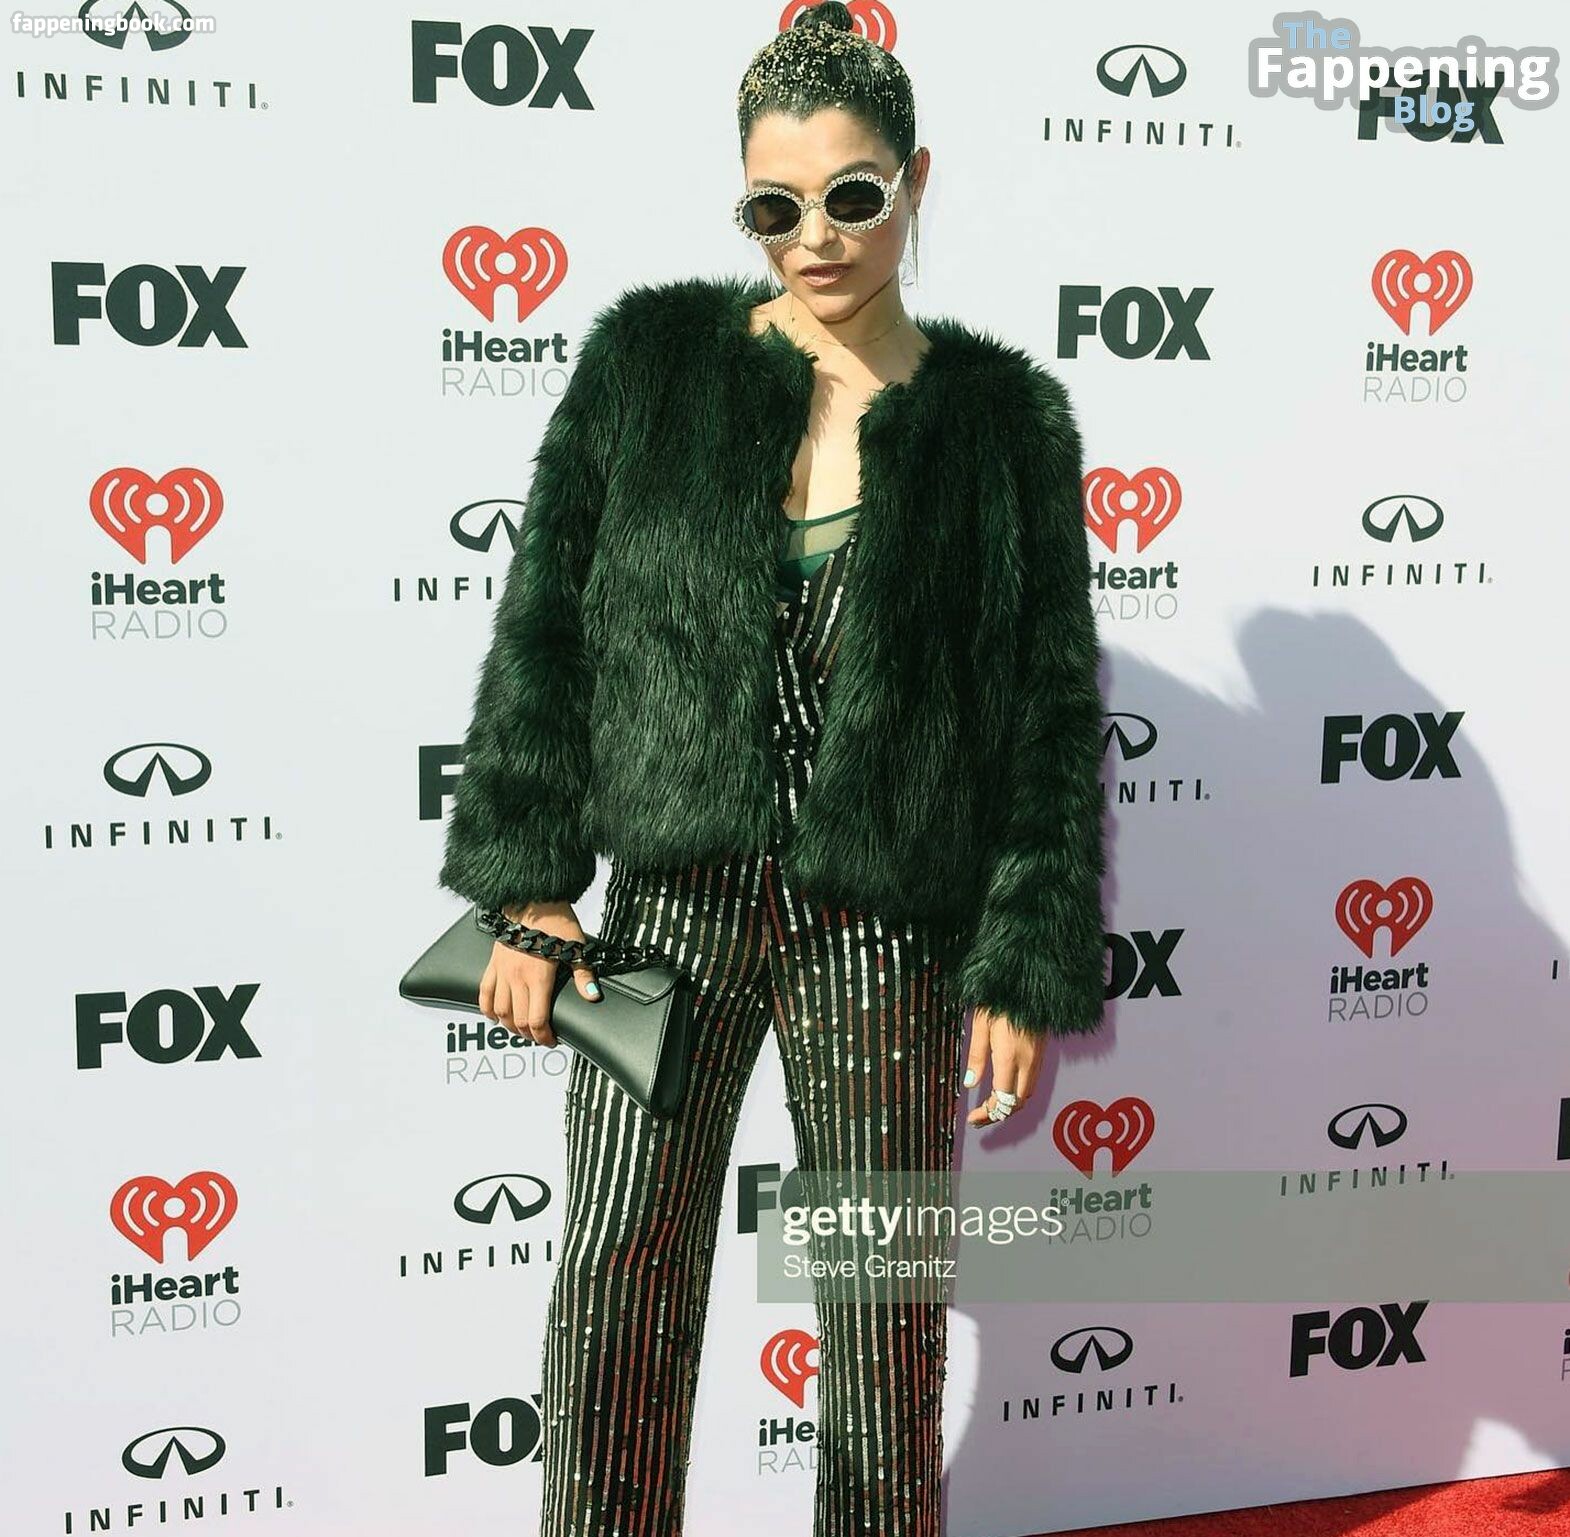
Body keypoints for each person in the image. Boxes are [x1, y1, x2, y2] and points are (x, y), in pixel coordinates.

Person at [435, 5, 1108, 1532]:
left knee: (880, 1316)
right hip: (670, 903)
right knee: (616, 1270)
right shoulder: (647, 366)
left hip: (883, 926)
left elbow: (1048, 710)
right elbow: (543, 625)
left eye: (851, 195)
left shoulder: (1002, 424)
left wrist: (1018, 960)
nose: (814, 238)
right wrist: (527, 887)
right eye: (773, 206)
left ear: (915, 180)